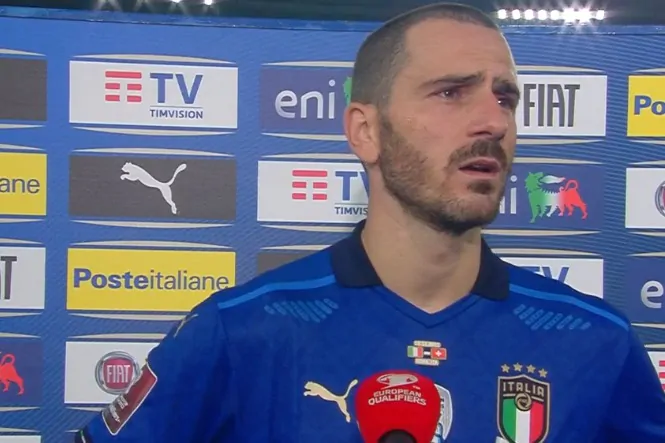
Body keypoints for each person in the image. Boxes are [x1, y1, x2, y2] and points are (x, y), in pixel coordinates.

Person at [75, 3, 665, 442]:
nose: (493, 121)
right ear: (365, 131)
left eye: (505, 98)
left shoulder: (597, 340)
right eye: (451, 93)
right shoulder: (242, 331)